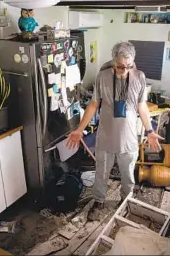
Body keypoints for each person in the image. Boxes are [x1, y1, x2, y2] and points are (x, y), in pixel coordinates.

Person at [67, 41, 163, 220]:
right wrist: (80, 129)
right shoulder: (102, 77)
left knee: (127, 174)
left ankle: (125, 200)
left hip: (128, 139)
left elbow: (142, 106)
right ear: (113, 61)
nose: (124, 70)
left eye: (128, 66)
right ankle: (99, 201)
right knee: (101, 172)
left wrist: (150, 131)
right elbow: (93, 104)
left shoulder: (139, 77)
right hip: (105, 136)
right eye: (120, 67)